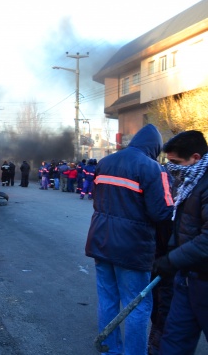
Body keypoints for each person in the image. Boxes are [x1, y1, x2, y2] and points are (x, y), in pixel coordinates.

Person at [85, 124, 174, 355]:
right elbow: (162, 213)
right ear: (154, 147)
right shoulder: (153, 169)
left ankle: (110, 350)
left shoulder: (105, 163)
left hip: (100, 241)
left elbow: (98, 198)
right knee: (138, 306)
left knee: (107, 300)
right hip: (133, 249)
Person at [153, 130, 208, 354]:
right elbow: (182, 224)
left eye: (175, 163)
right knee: (174, 342)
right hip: (186, 279)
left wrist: (171, 260)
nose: (170, 168)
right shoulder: (189, 181)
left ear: (195, 158)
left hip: (204, 280)